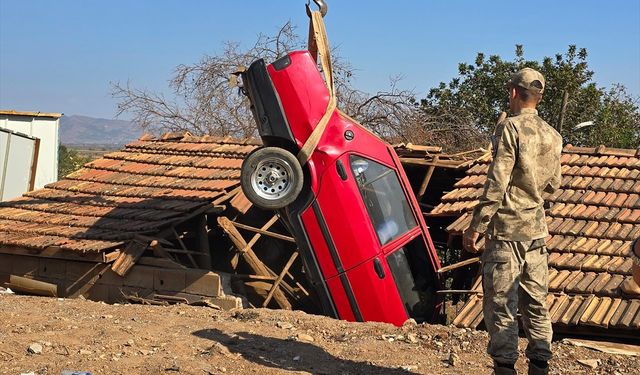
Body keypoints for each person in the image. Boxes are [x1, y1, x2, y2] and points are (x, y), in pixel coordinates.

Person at [462, 68, 562, 375]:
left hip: (506, 231)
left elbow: (497, 181)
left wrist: (477, 225)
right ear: (540, 97)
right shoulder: (554, 135)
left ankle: (505, 367)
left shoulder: (511, 129)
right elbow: (554, 184)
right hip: (536, 232)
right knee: (536, 302)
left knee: (502, 303)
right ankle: (540, 365)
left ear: (513, 93)